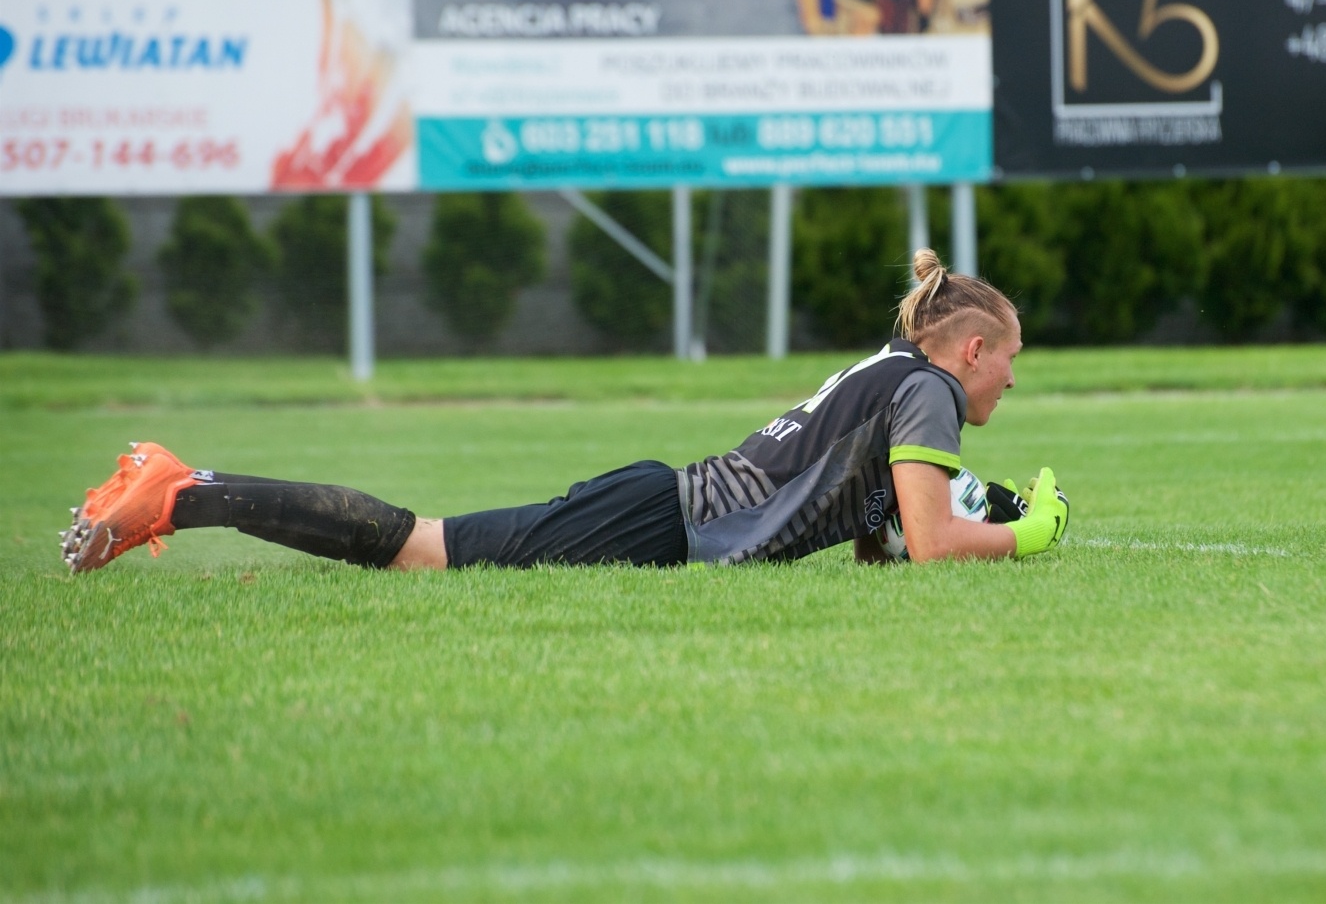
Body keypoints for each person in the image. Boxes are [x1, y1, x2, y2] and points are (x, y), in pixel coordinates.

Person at [60, 250, 1069, 574]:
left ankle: (182, 488)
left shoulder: (892, 368)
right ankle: (185, 490)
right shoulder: (928, 387)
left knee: (428, 545)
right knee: (423, 546)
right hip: (659, 521)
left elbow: (878, 527)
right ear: (970, 349)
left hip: (663, 503)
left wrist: (900, 526)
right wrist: (1023, 535)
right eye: (1008, 361)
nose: (1010, 383)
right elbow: (933, 540)